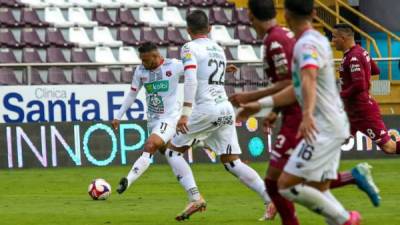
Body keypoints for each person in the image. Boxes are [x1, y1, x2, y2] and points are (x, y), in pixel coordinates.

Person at [230, 0, 380, 224]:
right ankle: (346, 212)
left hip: (324, 125)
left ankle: (347, 219)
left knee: (286, 184)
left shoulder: (304, 44)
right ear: (314, 13)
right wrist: (258, 104)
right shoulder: (316, 39)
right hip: (332, 121)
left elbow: (307, 77)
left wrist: (307, 114)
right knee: (316, 186)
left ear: (286, 15)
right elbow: (296, 88)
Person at [164, 9, 276, 221]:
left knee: (172, 152)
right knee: (232, 162)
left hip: (206, 109)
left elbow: (191, 80)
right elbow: (210, 75)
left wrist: (185, 113)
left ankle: (195, 197)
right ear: (210, 28)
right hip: (225, 107)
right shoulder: (218, 48)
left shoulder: (189, 48)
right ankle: (270, 199)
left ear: (188, 30)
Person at [112, 42, 191, 194]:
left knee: (150, 145)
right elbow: (132, 94)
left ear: (156, 56)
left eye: (145, 60)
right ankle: (192, 191)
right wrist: (118, 116)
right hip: (153, 121)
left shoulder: (173, 66)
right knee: (170, 153)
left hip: (170, 117)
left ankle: (128, 181)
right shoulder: (140, 71)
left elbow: (195, 70)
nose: (143, 63)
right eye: (141, 59)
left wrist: (224, 70)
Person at [332, 23, 400, 155]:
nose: (332, 41)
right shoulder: (361, 51)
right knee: (332, 141)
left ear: (343, 38)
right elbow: (375, 70)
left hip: (362, 111)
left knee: (389, 147)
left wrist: (340, 94)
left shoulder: (353, 57)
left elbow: (359, 85)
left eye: (334, 37)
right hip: (351, 110)